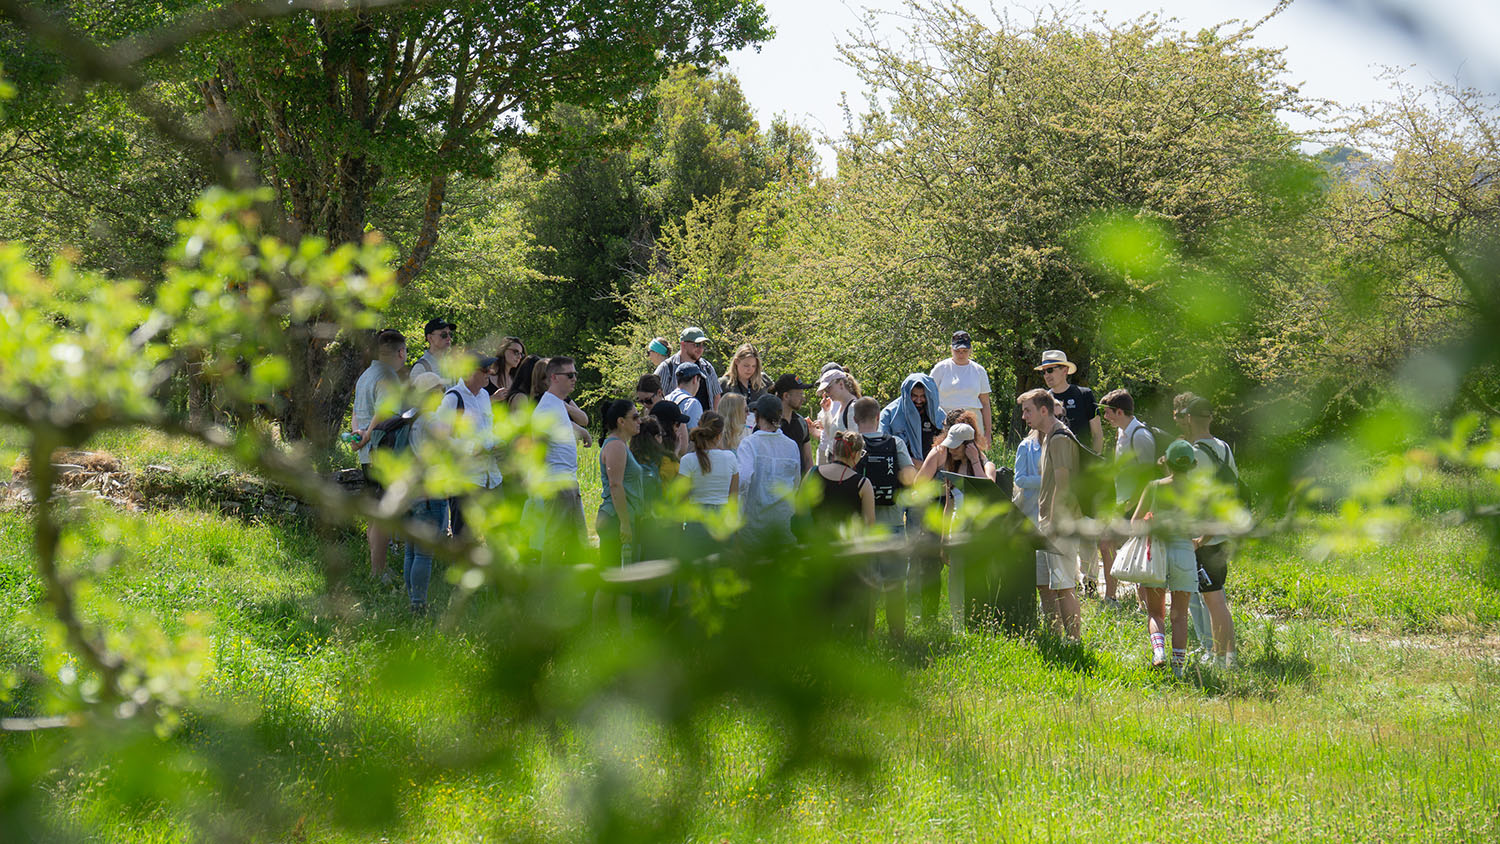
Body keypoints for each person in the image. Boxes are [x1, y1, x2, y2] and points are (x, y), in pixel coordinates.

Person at [1176, 392, 1239, 667]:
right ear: (1211, 417)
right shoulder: (1223, 447)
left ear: (1188, 419)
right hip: (1224, 531)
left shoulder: (1197, 455)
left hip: (1207, 536)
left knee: (1214, 602)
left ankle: (1221, 658)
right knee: (1218, 598)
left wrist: (1202, 539)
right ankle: (1229, 656)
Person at [1132, 439, 1203, 677]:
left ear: (1167, 462)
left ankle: (1159, 652)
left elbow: (1134, 522)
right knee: (1180, 615)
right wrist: (1198, 541)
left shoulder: (1154, 486)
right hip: (1184, 549)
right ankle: (1179, 669)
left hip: (1158, 552)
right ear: (1192, 465)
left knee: (1155, 612)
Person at [1019, 388, 1082, 641]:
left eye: (1028, 411)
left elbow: (1063, 485)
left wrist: (1055, 524)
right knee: (1047, 584)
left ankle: (1074, 641)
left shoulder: (1058, 438)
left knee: (1064, 586)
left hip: (1061, 524)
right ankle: (1055, 638)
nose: (1024, 417)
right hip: (1046, 522)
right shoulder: (1046, 437)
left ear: (1044, 410)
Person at [854, 397, 916, 639]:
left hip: (862, 527)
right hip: (893, 524)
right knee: (895, 584)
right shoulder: (895, 443)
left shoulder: (848, 442)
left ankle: (865, 635)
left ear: (855, 419)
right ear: (879, 417)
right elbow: (910, 477)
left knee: (865, 586)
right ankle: (897, 636)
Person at [351, 328, 406, 583]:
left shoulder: (365, 375)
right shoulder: (389, 376)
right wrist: (367, 435)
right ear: (401, 352)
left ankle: (375, 566)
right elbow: (384, 413)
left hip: (366, 453)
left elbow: (356, 413)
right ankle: (379, 570)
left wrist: (356, 436)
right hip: (381, 450)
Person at [1098, 389, 1158, 607]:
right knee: (1107, 544)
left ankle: (1145, 604)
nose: (1105, 417)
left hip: (1137, 506)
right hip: (1122, 502)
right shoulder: (1122, 433)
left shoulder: (1140, 435)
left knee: (1137, 552)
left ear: (1119, 411)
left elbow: (1147, 477)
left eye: (1108, 413)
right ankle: (1112, 598)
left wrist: (1131, 506)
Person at [524, 357, 586, 557]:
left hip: (568, 482)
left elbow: (582, 422)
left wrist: (584, 433)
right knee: (555, 542)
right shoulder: (546, 408)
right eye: (569, 375)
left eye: (575, 374)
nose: (574, 378)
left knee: (577, 541)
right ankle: (548, 587)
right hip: (556, 484)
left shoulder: (558, 404)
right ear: (554, 377)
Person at [436, 353, 503, 538]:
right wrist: (469, 449)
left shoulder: (483, 396)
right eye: (484, 369)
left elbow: (486, 431)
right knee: (464, 536)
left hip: (491, 477)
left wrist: (498, 443)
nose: (489, 373)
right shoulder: (452, 398)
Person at [402, 371, 451, 614]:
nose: (443, 396)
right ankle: (418, 605)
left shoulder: (411, 417)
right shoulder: (431, 420)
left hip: (410, 490)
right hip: (431, 492)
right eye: (440, 391)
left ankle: (412, 599)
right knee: (424, 553)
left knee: (411, 549)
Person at [737, 394, 804, 546]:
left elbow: (744, 479)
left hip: (753, 526)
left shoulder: (749, 444)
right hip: (782, 523)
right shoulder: (791, 445)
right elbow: (796, 482)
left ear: (757, 416)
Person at [679, 412, 740, 555]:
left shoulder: (688, 460)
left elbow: (681, 497)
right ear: (719, 435)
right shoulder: (730, 458)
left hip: (696, 520)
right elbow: (734, 499)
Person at [597, 399, 645, 568]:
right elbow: (615, 485)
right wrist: (624, 523)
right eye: (635, 417)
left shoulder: (621, 444)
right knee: (611, 583)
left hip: (620, 519)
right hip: (615, 520)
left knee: (619, 583)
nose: (640, 421)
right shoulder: (616, 445)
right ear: (621, 421)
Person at [929, 330, 994, 451]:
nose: (961, 354)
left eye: (964, 351)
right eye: (957, 351)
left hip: (973, 422)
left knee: (973, 458)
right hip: (945, 422)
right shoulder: (940, 368)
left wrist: (988, 433)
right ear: (951, 349)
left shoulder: (979, 370)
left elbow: (985, 403)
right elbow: (930, 398)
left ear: (970, 349)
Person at [1037, 349, 1103, 454]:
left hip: (1083, 463)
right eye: (1043, 372)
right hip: (1055, 463)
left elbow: (1097, 434)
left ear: (1065, 370)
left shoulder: (1084, 394)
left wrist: (1094, 462)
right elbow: (1040, 437)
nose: (1046, 375)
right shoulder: (1043, 400)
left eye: (1050, 370)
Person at [879, 373, 945, 463]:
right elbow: (884, 447)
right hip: (903, 468)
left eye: (922, 396)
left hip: (934, 469)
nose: (918, 401)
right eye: (914, 396)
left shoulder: (937, 414)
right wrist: (919, 466)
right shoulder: (889, 414)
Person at [654, 326, 721, 411]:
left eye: (702, 345)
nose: (700, 349)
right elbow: (654, 397)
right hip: (677, 423)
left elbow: (716, 395)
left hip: (705, 423)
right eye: (696, 345)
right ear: (683, 345)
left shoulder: (707, 367)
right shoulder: (666, 368)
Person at [813, 368, 859, 464]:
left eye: (829, 388)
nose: (826, 393)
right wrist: (826, 411)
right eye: (825, 390)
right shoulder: (842, 406)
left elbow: (855, 444)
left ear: (841, 384)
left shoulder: (853, 408)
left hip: (845, 468)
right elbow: (832, 434)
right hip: (836, 465)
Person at [771, 374, 815, 474]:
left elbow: (808, 460)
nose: (803, 399)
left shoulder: (801, 422)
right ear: (786, 396)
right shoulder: (769, 423)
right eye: (800, 394)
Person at [666, 362, 707, 429]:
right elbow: (694, 435)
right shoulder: (693, 403)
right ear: (695, 379)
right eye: (699, 381)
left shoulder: (666, 399)